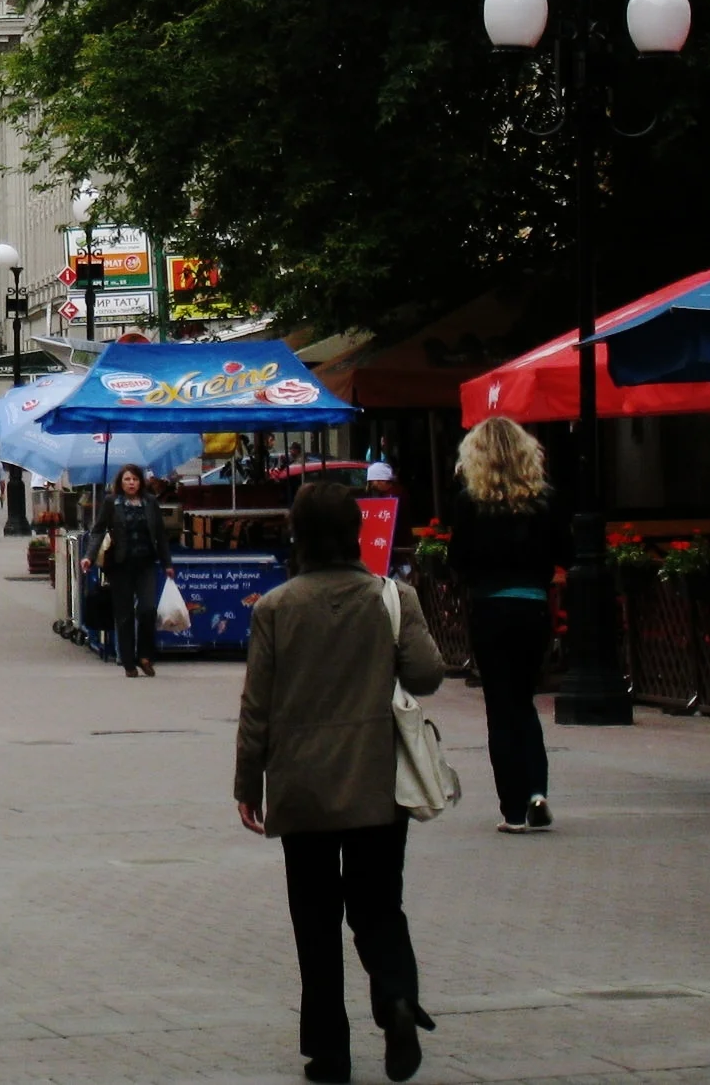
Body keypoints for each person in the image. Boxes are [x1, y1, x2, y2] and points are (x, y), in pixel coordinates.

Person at [234, 481, 445, 1085]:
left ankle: (329, 1051)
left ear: (297, 535)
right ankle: (396, 996)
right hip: (377, 780)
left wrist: (248, 782)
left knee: (316, 919)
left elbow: (257, 706)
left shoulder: (276, 607)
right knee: (378, 904)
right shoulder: (390, 597)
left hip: (301, 786)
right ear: (356, 532)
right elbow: (427, 675)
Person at [448, 416, 571, 834]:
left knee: (500, 708)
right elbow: (566, 551)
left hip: (490, 609)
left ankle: (513, 810)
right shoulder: (543, 499)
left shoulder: (470, 501)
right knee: (524, 701)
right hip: (533, 607)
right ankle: (537, 790)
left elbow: (457, 559)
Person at [89, 463, 174, 677]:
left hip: (146, 563)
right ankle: (128, 661)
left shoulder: (150, 502)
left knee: (148, 609)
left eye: (135, 479)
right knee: (124, 614)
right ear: (121, 482)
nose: (131, 483)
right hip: (121, 564)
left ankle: (145, 656)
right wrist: (89, 557)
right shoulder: (112, 502)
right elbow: (98, 530)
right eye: (127, 479)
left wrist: (167, 564)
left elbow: (160, 534)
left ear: (140, 482)